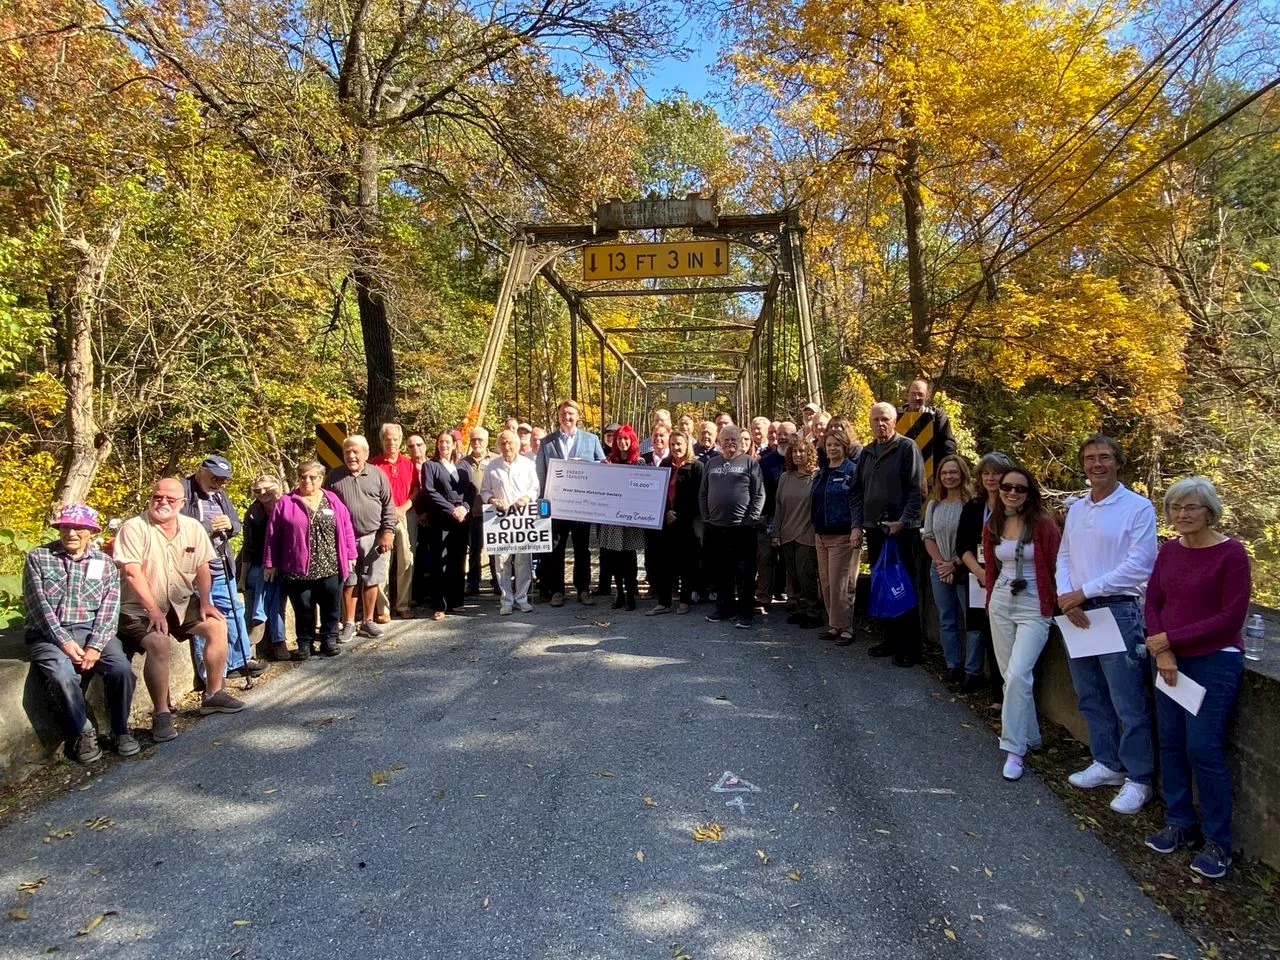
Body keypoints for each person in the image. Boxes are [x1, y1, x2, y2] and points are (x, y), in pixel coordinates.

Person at [1142, 476, 1251, 879]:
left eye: (1191, 507)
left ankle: (1218, 842)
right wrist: (1163, 648)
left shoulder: (1232, 553)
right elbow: (1153, 600)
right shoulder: (1169, 550)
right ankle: (1179, 823)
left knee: (1202, 748)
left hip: (1212, 662)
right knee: (1169, 743)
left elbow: (1230, 618)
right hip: (1170, 659)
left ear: (1210, 511)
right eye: (1175, 507)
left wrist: (1169, 639)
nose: (1182, 514)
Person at [1057, 435, 1158, 815]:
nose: (1096, 464)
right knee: (1090, 693)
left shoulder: (1138, 507)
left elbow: (1140, 564)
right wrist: (1067, 596)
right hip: (1078, 612)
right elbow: (1064, 554)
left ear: (1117, 462)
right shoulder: (1078, 508)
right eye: (1089, 458)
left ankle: (1139, 778)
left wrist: (1083, 591)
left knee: (1127, 700)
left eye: (1104, 457)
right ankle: (1107, 763)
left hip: (1117, 610)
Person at [114, 478, 244, 741]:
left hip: (180, 601)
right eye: (157, 497)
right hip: (139, 607)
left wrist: (206, 602)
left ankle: (213, 694)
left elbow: (203, 566)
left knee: (217, 625)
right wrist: (152, 610)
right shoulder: (134, 528)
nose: (162, 502)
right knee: (159, 642)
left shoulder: (192, 527)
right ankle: (161, 713)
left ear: (181, 503)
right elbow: (131, 572)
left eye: (170, 499)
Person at [24, 504, 137, 762]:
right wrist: (64, 642)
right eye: (65, 527)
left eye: (78, 528)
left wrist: (95, 645)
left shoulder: (105, 564)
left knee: (121, 669)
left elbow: (109, 609)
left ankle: (121, 730)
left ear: (91, 532)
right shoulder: (38, 558)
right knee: (62, 675)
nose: (71, 533)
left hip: (92, 631)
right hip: (49, 633)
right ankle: (83, 733)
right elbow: (38, 608)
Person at [982, 464, 1061, 782]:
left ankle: (1014, 749)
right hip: (1001, 602)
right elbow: (990, 565)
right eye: (1006, 487)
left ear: (1030, 493)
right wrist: (989, 601)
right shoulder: (994, 523)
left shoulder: (1043, 525)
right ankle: (1031, 734)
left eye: (1019, 488)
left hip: (1034, 606)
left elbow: (1058, 564)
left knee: (1017, 674)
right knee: (1009, 676)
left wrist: (1061, 602)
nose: (1012, 493)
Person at [850, 402, 925, 667]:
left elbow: (917, 490)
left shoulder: (907, 448)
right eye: (875, 420)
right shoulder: (867, 453)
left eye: (885, 419)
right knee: (882, 585)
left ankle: (910, 647)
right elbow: (857, 491)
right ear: (869, 423)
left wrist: (903, 521)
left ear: (894, 422)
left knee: (902, 586)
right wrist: (857, 525)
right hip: (875, 529)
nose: (880, 424)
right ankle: (890, 639)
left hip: (901, 531)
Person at [181, 455, 263, 683]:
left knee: (234, 611)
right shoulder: (183, 492)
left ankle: (241, 660)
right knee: (203, 619)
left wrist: (230, 526)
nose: (218, 483)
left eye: (223, 480)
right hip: (194, 569)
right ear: (201, 471)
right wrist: (208, 526)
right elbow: (176, 527)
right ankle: (210, 672)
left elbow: (237, 524)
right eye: (215, 477)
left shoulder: (220, 495)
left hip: (221, 563)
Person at [264, 461, 357, 659]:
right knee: (303, 607)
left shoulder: (332, 500)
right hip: (297, 567)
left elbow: (346, 527)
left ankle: (329, 639)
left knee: (331, 604)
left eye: (312, 477)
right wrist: (270, 563)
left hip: (330, 563)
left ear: (321, 479)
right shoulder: (286, 503)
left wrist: (350, 554)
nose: (307, 481)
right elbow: (272, 535)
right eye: (303, 477)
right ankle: (304, 643)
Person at [325, 435, 397, 642]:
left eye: (356, 452)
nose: (351, 456)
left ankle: (367, 620)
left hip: (373, 536)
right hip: (344, 539)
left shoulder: (377, 475)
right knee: (349, 581)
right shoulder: (334, 477)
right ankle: (348, 623)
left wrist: (387, 532)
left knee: (371, 579)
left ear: (365, 454)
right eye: (347, 452)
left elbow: (388, 506)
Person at [535, 399, 606, 606]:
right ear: (558, 416)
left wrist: (584, 465)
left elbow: (603, 466)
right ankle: (557, 590)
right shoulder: (547, 442)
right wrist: (543, 500)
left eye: (571, 414)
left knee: (582, 549)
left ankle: (583, 590)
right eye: (564, 413)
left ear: (578, 416)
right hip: (557, 506)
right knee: (556, 548)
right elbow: (541, 472)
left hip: (582, 506)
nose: (567, 417)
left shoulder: (591, 439)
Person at [957, 452, 1013, 697]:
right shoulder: (973, 506)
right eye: (986, 473)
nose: (991, 478)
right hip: (977, 576)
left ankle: (1005, 695)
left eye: (996, 473)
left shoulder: (1013, 504)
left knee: (1004, 637)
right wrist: (979, 572)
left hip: (1007, 577)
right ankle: (996, 693)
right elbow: (962, 545)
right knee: (985, 632)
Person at [923, 455, 982, 685]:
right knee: (947, 618)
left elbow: (974, 541)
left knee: (972, 621)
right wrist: (941, 564)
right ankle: (952, 665)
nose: (949, 477)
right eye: (944, 473)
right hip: (939, 568)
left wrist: (953, 563)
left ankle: (973, 670)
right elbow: (928, 536)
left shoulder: (973, 504)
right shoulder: (934, 504)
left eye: (953, 472)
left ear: (963, 474)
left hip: (966, 569)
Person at [700, 425, 766, 628]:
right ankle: (724, 608)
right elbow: (703, 492)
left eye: (733, 439)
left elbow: (759, 493)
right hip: (716, 526)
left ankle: (745, 613)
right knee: (722, 571)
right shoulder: (711, 463)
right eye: (725, 439)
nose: (729, 443)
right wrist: (706, 517)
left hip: (742, 528)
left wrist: (751, 518)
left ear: (740, 441)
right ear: (719, 442)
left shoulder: (750, 463)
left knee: (745, 572)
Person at [481, 429, 540, 615]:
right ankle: (506, 600)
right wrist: (492, 500)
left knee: (523, 560)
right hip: (500, 521)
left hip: (522, 519)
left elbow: (535, 488)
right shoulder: (492, 466)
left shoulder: (527, 464)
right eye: (503, 443)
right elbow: (484, 491)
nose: (507, 446)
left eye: (511, 442)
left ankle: (522, 598)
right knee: (502, 562)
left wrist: (526, 498)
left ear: (517, 444)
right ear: (499, 445)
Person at [419, 429, 476, 620]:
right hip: (441, 520)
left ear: (454, 444)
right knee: (439, 561)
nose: (444, 445)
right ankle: (439, 604)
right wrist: (452, 509)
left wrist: (465, 508)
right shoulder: (430, 465)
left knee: (458, 560)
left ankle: (456, 601)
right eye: (441, 442)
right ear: (437, 444)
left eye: (447, 442)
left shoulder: (464, 465)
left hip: (461, 520)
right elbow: (430, 491)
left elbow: (471, 490)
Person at [811, 428, 859, 643]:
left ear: (844, 447)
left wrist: (857, 528)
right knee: (827, 584)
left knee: (842, 584)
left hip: (843, 535)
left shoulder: (851, 471)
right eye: (829, 445)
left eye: (836, 445)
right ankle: (834, 625)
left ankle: (846, 627)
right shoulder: (822, 472)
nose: (832, 448)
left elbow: (858, 502)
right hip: (821, 534)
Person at [649, 430, 703, 615]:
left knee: (686, 563)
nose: (675, 448)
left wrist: (679, 514)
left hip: (686, 523)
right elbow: (658, 493)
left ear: (687, 444)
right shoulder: (665, 465)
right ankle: (663, 602)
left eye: (679, 444)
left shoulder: (697, 467)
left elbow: (699, 498)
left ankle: (685, 600)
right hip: (666, 522)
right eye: (672, 444)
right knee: (664, 563)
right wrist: (666, 513)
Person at [369, 423, 419, 620]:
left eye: (395, 439)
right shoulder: (373, 466)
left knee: (407, 560)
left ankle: (403, 604)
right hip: (382, 519)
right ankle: (383, 609)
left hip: (405, 514)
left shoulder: (408, 464)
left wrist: (405, 507)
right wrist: (389, 512)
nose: (391, 442)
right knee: (383, 561)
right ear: (382, 441)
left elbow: (416, 489)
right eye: (387, 439)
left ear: (400, 440)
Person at [773, 437, 821, 629]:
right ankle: (800, 610)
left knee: (806, 573)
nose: (798, 455)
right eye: (794, 452)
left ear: (809, 454)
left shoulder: (816, 477)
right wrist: (775, 532)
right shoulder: (785, 477)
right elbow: (778, 506)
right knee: (793, 574)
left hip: (807, 533)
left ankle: (813, 611)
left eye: (802, 452)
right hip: (787, 532)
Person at [239, 474, 287, 662]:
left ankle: (259, 620)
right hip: (258, 565)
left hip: (283, 565)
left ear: (277, 487)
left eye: (267, 489)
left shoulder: (287, 507)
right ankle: (278, 640)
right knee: (267, 579)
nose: (262, 493)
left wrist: (273, 564)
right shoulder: (253, 513)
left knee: (272, 583)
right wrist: (242, 579)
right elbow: (248, 548)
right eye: (257, 491)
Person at [598, 425, 646, 610]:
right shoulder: (609, 462)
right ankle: (619, 594)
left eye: (626, 439)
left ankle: (631, 595)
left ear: (632, 441)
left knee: (630, 559)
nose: (623, 442)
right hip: (613, 519)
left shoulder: (640, 463)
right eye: (619, 439)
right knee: (615, 559)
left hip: (631, 519)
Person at [756, 421, 795, 610]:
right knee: (765, 558)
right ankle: (763, 596)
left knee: (791, 560)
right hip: (769, 517)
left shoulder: (800, 461)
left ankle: (793, 598)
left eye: (787, 434)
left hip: (793, 518)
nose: (782, 437)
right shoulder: (765, 461)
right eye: (779, 433)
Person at [897, 378, 958, 486]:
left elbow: (948, 446)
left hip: (931, 476)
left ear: (927, 396)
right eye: (913, 394)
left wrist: (947, 471)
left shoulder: (936, 416)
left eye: (920, 394)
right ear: (907, 394)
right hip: (900, 475)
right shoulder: (895, 415)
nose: (916, 397)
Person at [463, 427, 498, 597]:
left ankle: (498, 582)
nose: (477, 443)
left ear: (487, 441)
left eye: (480, 440)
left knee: (495, 551)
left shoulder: (495, 461)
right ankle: (473, 583)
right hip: (473, 513)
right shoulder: (463, 463)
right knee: (475, 551)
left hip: (493, 513)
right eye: (474, 439)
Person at [406, 433, 431, 606]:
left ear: (425, 446)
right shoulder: (406, 467)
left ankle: (433, 591)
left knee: (433, 553)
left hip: (433, 515)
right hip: (412, 515)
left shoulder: (432, 465)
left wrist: (428, 513)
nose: (416, 449)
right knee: (415, 555)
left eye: (419, 444)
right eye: (411, 446)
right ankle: (416, 593)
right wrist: (418, 513)